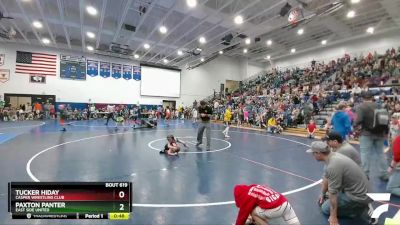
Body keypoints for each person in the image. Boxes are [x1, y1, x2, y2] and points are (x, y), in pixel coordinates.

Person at [307, 141, 373, 225]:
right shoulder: (333, 156)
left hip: (359, 196)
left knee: (325, 209)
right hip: (360, 190)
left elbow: (333, 194)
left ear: (318, 153)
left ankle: (358, 210)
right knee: (328, 197)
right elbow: (326, 177)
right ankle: (359, 205)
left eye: (313, 153)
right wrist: (322, 194)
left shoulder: (333, 166)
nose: (313, 156)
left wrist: (333, 217)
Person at [355, 92, 389, 181]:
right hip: (380, 133)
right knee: (381, 154)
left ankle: (365, 174)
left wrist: (355, 127)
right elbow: (386, 119)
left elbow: (358, 120)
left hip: (366, 134)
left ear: (363, 98)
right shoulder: (380, 106)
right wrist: (386, 132)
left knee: (365, 154)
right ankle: (384, 174)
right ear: (372, 98)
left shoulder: (361, 107)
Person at [234, 184, 300, 225]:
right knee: (293, 220)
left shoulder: (247, 196)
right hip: (285, 203)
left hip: (276, 208)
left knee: (253, 212)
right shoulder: (255, 187)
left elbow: (242, 215)